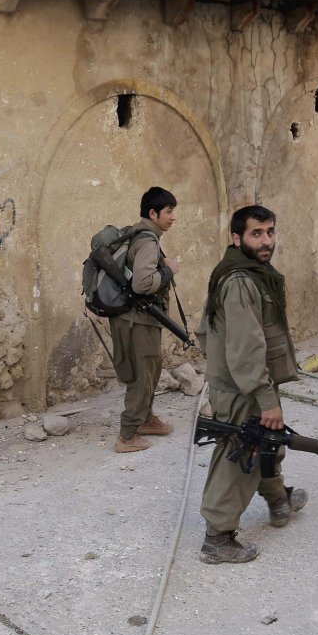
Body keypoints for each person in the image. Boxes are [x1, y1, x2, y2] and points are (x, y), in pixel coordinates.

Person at [196, 205, 308, 563]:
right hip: (243, 386)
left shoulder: (243, 272)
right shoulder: (241, 280)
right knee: (239, 459)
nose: (266, 241)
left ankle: (279, 501)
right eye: (256, 234)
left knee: (268, 445)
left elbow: (206, 331)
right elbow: (247, 346)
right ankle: (217, 538)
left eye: (270, 232)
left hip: (242, 381)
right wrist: (264, 396)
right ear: (236, 238)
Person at [111, 187, 181, 453]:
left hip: (130, 318)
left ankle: (146, 420)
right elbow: (142, 283)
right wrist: (168, 270)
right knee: (143, 374)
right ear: (153, 213)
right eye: (169, 211)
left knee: (150, 370)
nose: (173, 217)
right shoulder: (148, 241)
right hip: (138, 320)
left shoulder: (137, 235)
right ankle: (127, 435)